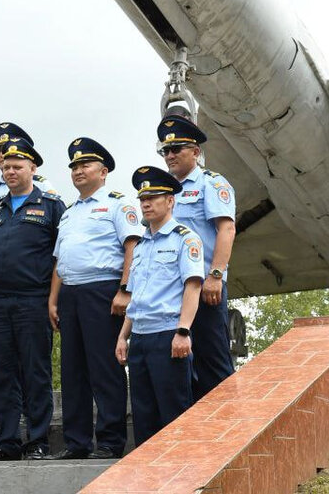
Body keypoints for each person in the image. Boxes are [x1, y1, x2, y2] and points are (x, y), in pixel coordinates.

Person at [0, 138, 66, 461]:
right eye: (6, 166)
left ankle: (37, 440)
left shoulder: (51, 206)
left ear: (33, 168)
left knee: (36, 372)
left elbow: (59, 257)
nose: (10, 171)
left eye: (17, 166)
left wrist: (53, 300)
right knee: (3, 373)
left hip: (33, 300)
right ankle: (6, 442)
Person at [46, 138, 142, 460]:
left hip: (103, 291)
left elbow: (132, 246)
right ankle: (77, 442)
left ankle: (111, 442)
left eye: (85, 165)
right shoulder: (69, 213)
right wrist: (53, 300)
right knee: (73, 371)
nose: (78, 170)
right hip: (70, 294)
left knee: (104, 367)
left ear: (103, 171)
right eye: (74, 166)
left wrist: (125, 289)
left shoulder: (118, 205)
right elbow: (61, 260)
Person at [115, 166, 204, 447]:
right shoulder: (141, 246)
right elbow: (136, 295)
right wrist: (123, 335)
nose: (146, 203)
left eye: (154, 197)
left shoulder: (185, 239)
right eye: (143, 199)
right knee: (144, 417)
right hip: (140, 337)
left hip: (168, 335)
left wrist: (184, 331)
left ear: (170, 201)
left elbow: (193, 286)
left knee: (174, 414)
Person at [157, 115, 237, 401]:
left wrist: (216, 275)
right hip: (170, 292)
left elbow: (226, 228)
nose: (170, 155)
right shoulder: (163, 192)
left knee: (212, 363)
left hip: (204, 287)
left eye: (176, 149)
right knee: (177, 367)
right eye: (165, 150)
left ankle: (228, 431)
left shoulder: (210, 183)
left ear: (196, 151)